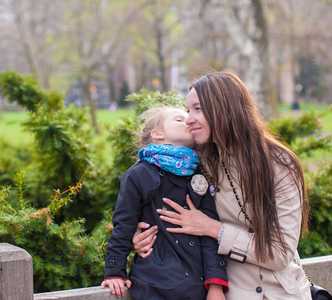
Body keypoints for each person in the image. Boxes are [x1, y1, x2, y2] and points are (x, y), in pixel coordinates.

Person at [132, 71, 312, 299]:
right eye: (188, 110)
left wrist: (212, 228)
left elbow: (279, 252)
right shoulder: (193, 162)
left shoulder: (280, 164)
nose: (189, 119)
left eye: (198, 109)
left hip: (281, 291)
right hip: (229, 291)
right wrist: (144, 240)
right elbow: (153, 204)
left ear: (226, 109)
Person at [101, 105, 228, 299]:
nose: (188, 121)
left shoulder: (200, 176)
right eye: (179, 119)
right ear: (157, 134)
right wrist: (114, 272)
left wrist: (215, 285)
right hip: (151, 286)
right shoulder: (139, 175)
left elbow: (209, 238)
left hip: (196, 288)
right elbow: (123, 226)